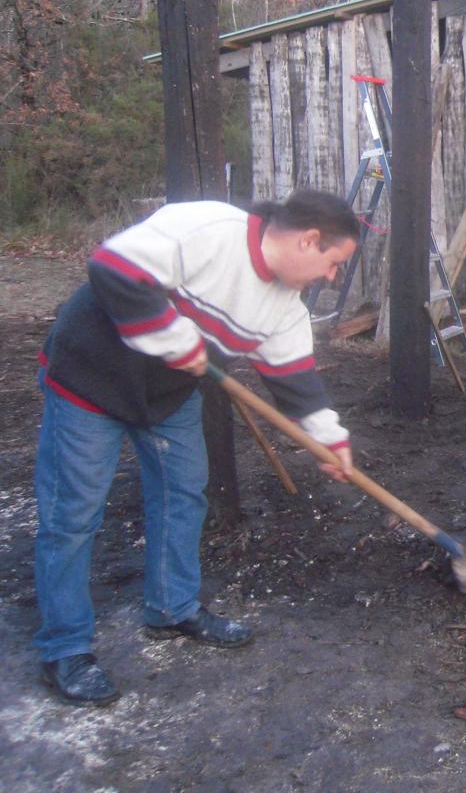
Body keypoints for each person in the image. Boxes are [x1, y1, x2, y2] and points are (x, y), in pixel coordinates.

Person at [34, 190, 360, 706]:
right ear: (309, 240)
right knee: (72, 515)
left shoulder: (284, 310)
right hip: (91, 379)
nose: (331, 277)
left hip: (166, 398)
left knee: (184, 493)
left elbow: (297, 382)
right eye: (333, 263)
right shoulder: (208, 229)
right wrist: (173, 338)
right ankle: (65, 648)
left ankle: (172, 607)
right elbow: (114, 267)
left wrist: (330, 440)